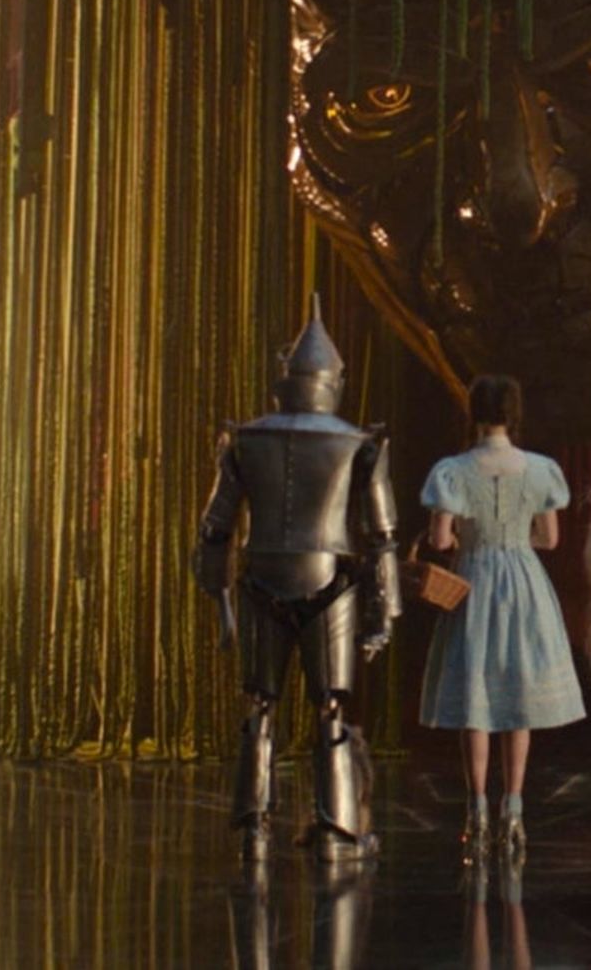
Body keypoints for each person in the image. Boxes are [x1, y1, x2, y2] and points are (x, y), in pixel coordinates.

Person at [194, 295, 402, 865]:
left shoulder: (247, 440)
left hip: (261, 578)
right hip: (329, 581)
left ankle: (254, 822)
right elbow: (382, 536)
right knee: (329, 706)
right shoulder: (357, 443)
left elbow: (214, 528)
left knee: (259, 703)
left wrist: (221, 602)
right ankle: (337, 826)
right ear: (334, 382)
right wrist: (384, 614)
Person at [419, 374, 587, 858]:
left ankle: (477, 811)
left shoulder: (453, 471)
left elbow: (440, 540)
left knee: (477, 696)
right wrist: (515, 541)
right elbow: (550, 539)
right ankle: (513, 810)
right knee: (519, 696)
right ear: (513, 414)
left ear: (474, 413)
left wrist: (470, 540)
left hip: (473, 580)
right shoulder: (539, 469)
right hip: (524, 582)